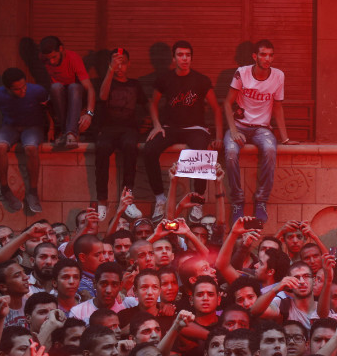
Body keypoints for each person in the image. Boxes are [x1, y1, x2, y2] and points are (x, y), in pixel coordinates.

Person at [143, 40, 223, 221]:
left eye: (187, 55)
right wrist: (156, 125)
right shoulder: (165, 79)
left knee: (201, 152)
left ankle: (197, 202)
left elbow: (217, 109)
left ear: (191, 58)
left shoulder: (201, 80)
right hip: (171, 128)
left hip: (196, 128)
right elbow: (152, 103)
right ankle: (160, 199)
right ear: (174, 58)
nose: (184, 58)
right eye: (180, 55)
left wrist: (218, 136)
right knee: (149, 150)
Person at [224, 39, 297, 222]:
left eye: (271, 55)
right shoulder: (242, 73)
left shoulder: (278, 76)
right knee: (231, 152)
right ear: (255, 56)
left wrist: (285, 138)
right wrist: (232, 131)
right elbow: (227, 103)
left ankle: (261, 200)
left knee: (271, 149)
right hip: (239, 126)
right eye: (263, 54)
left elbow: (278, 107)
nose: (267, 59)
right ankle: (237, 201)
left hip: (261, 129)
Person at [0, 67, 51, 214]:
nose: (22, 91)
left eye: (23, 86)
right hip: (10, 127)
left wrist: (52, 129)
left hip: (32, 126)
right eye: (17, 89)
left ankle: (32, 192)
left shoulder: (37, 91)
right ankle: (5, 189)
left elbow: (49, 109)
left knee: (30, 148)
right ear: (7, 88)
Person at [95, 48, 147, 220]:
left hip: (129, 129)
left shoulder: (134, 84)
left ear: (129, 64)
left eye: (122, 62)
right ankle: (102, 201)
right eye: (116, 63)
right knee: (101, 148)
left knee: (131, 147)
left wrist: (155, 124)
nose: (119, 66)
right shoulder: (106, 82)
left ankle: (128, 199)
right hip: (108, 128)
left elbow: (148, 104)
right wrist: (111, 70)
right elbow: (102, 96)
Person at [38, 35, 96, 150]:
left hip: (77, 96)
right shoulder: (44, 59)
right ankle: (68, 133)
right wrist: (51, 127)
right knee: (55, 87)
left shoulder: (73, 58)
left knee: (73, 87)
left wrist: (89, 114)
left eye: (54, 57)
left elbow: (90, 89)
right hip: (60, 98)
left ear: (61, 49)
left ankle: (70, 133)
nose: (52, 61)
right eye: (48, 59)